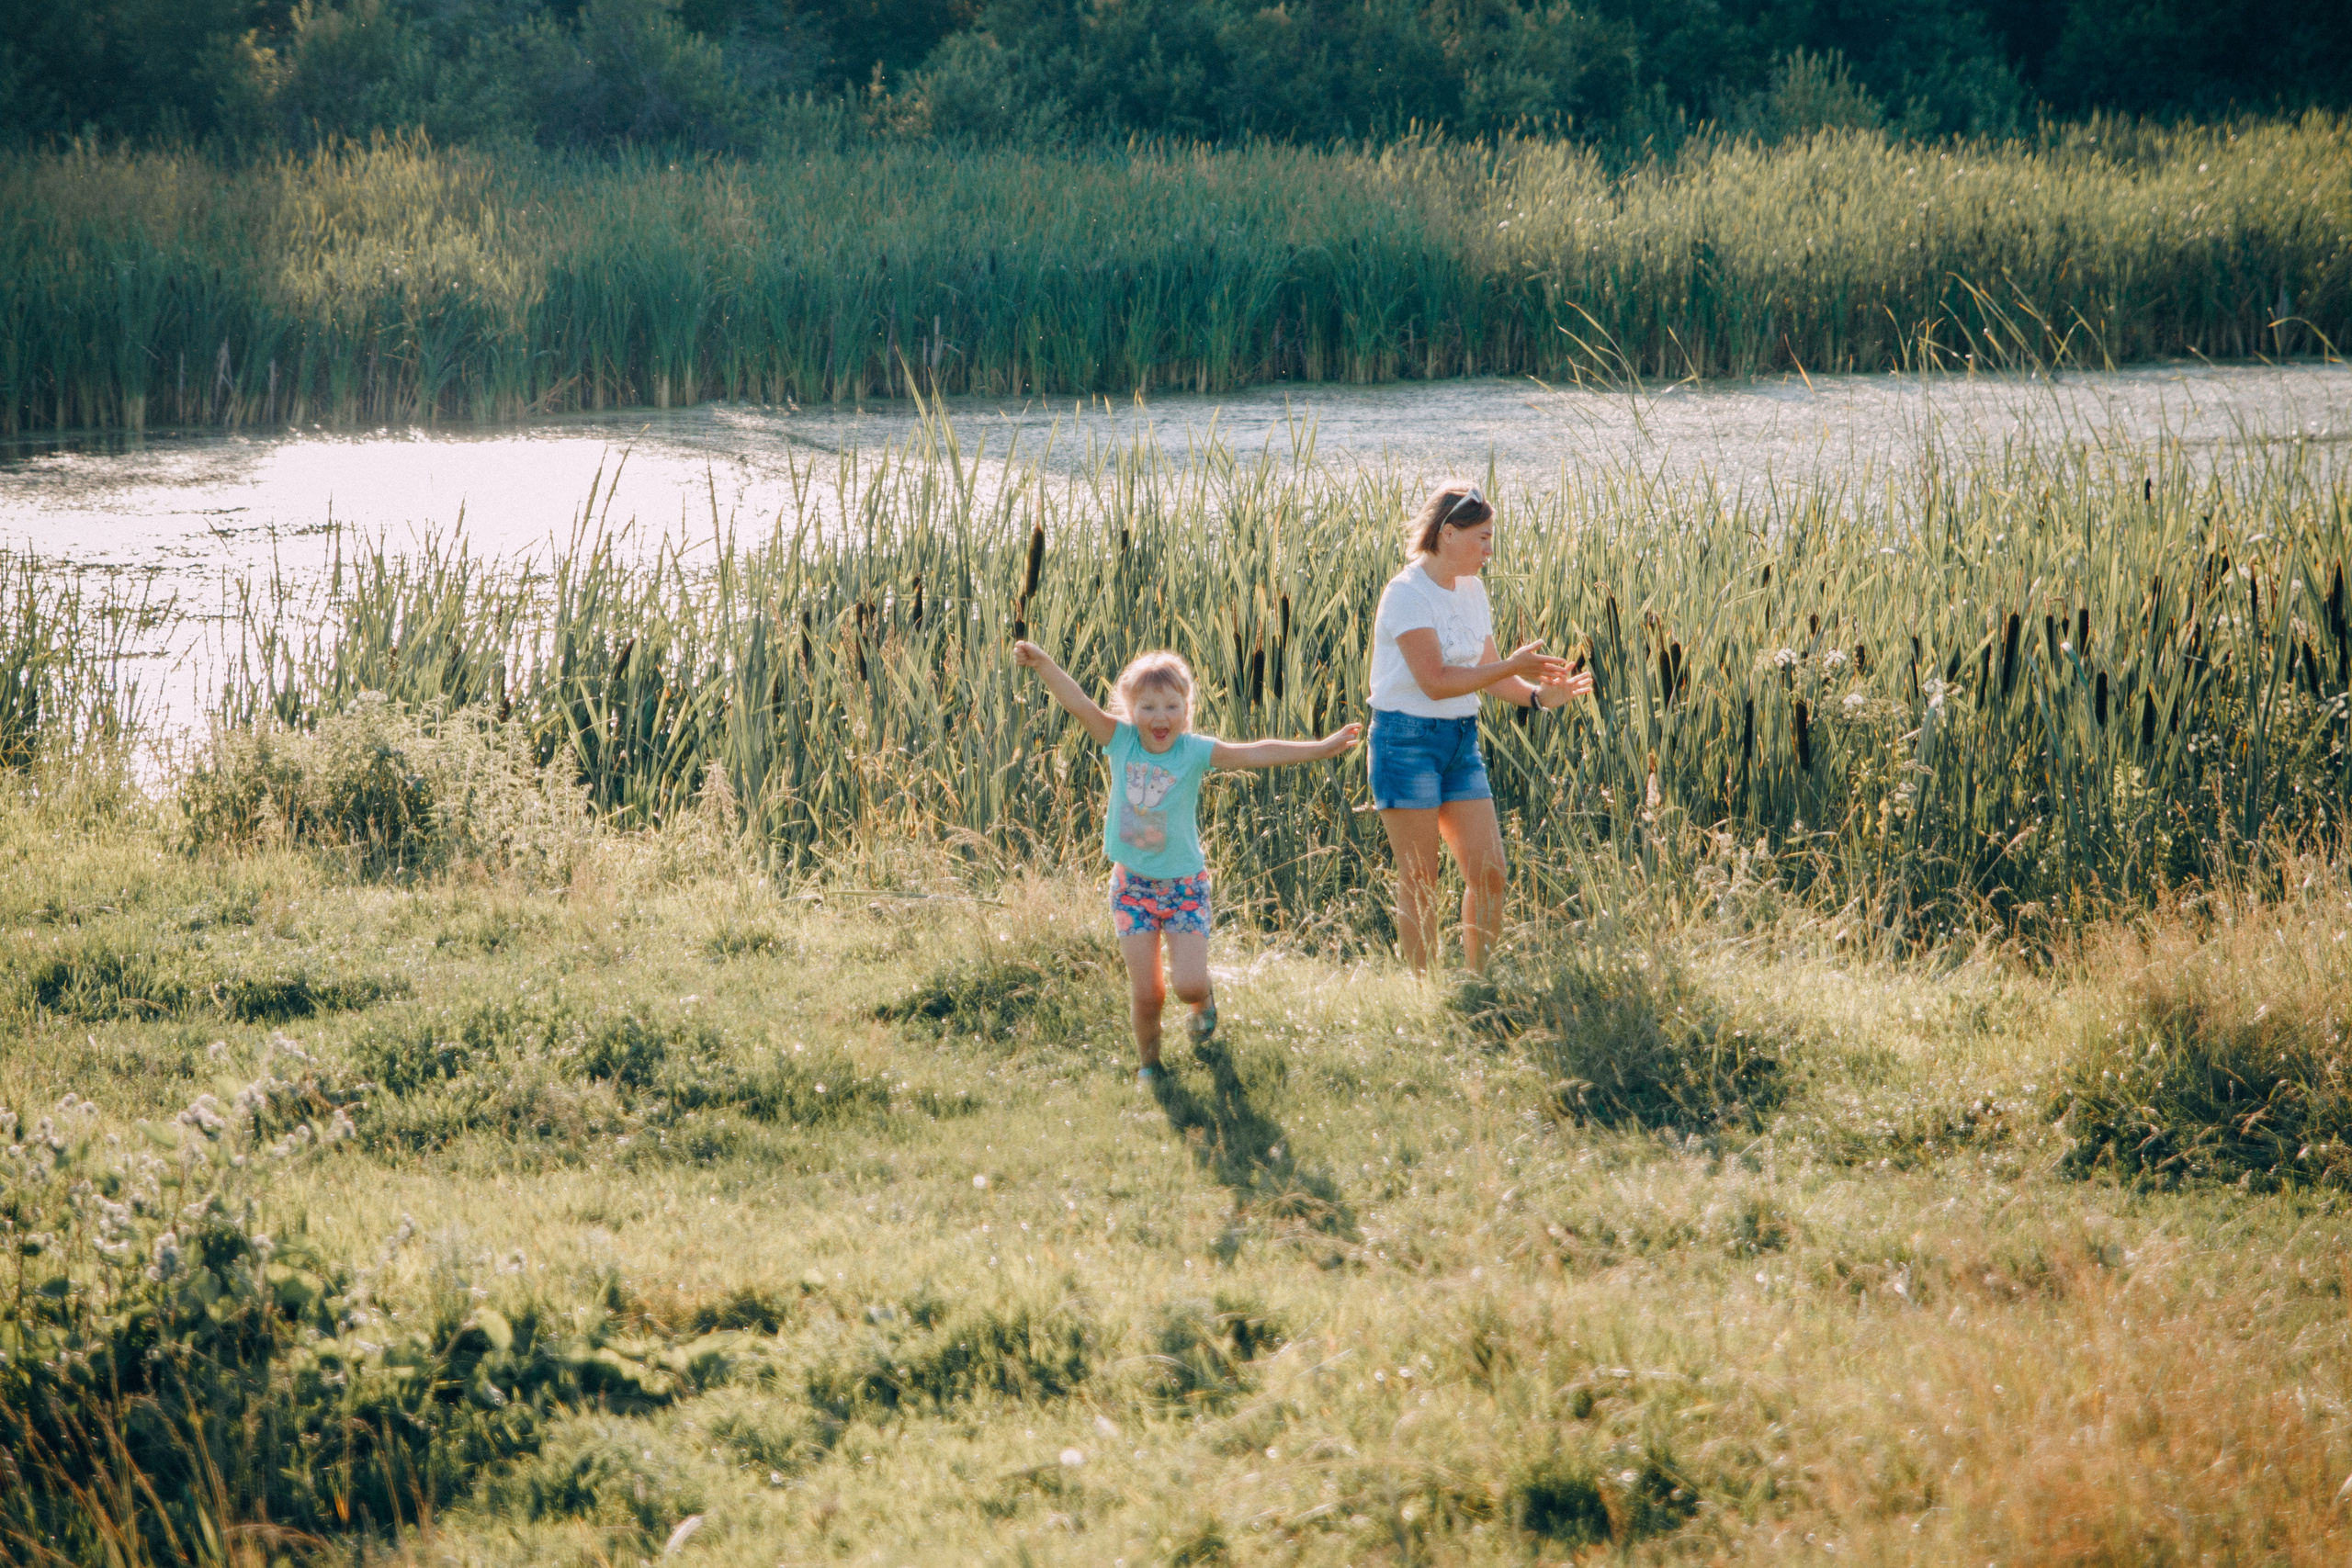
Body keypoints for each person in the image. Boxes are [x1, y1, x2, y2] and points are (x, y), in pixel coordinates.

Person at [1012, 642, 1362, 1086]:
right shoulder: (1119, 742)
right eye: (1149, 707)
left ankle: (1204, 1000)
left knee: (1187, 986)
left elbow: (1255, 751)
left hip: (1184, 888)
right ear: (1131, 710)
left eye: (1172, 706)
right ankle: (1150, 1066)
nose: (1161, 717)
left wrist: (1321, 748)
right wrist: (1044, 664)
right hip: (1131, 888)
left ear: (1186, 710)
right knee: (1148, 993)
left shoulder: (1194, 752)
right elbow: (1078, 702)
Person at [1367, 481, 1591, 974]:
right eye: (1483, 538)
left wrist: (1538, 698)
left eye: (1492, 538)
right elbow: (1435, 682)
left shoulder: (1472, 589)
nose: (1491, 549)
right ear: (1448, 534)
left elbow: (1487, 670)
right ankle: (1422, 993)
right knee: (1420, 878)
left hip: (1459, 741)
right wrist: (1511, 666)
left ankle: (1478, 983)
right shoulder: (1406, 594)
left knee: (1490, 873)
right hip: (1405, 741)